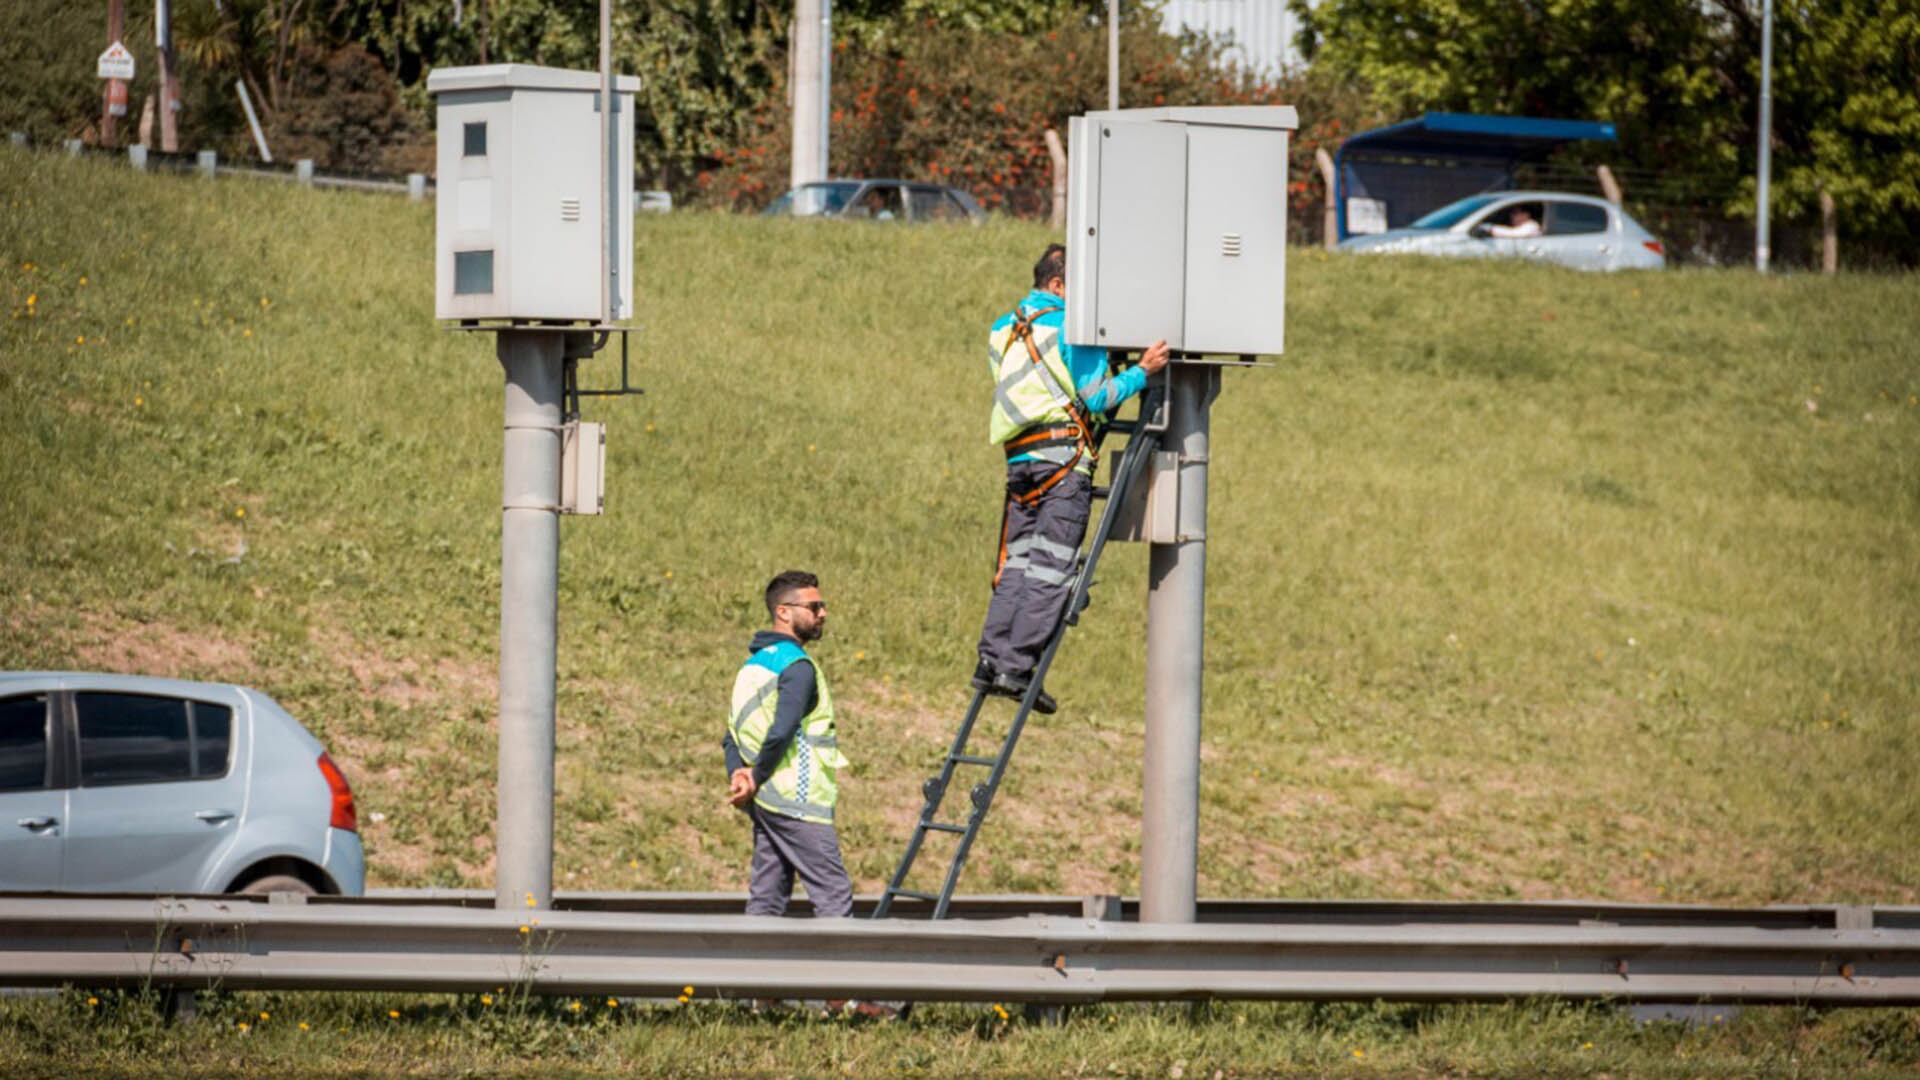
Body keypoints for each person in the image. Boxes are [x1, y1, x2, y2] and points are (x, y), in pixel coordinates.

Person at [972, 244, 1169, 712]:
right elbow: (1097, 397)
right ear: (1059, 285)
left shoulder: (1003, 329)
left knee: (1016, 566)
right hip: (1063, 464)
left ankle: (992, 660)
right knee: (1050, 568)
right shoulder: (1072, 327)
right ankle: (1017, 668)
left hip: (1020, 462)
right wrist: (1143, 372)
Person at [723, 570, 853, 918]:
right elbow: (781, 731)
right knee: (834, 898)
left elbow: (731, 733)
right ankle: (844, 972)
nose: (823, 613)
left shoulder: (752, 666)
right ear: (784, 612)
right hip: (798, 802)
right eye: (814, 606)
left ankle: (751, 971)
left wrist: (740, 774)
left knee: (767, 899)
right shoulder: (798, 667)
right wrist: (756, 775)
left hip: (766, 801)